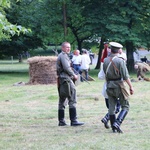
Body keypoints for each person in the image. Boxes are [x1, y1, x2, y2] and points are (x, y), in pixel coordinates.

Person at [103, 42, 134, 133]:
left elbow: (105, 73)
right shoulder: (120, 61)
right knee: (125, 106)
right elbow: (125, 76)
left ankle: (113, 127)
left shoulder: (105, 60)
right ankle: (117, 123)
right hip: (119, 85)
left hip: (109, 85)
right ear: (119, 50)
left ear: (111, 49)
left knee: (111, 107)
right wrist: (131, 87)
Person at [56, 42, 84, 126]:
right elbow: (66, 67)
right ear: (63, 48)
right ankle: (73, 120)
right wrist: (73, 75)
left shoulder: (62, 55)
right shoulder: (63, 55)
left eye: (69, 47)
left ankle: (61, 121)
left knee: (62, 99)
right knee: (72, 97)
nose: (69, 49)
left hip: (62, 79)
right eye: (67, 47)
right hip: (66, 79)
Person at [98, 42, 120, 129]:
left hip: (107, 87)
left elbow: (100, 77)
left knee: (111, 107)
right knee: (116, 108)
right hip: (116, 87)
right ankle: (108, 120)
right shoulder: (119, 61)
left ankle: (109, 121)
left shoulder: (105, 63)